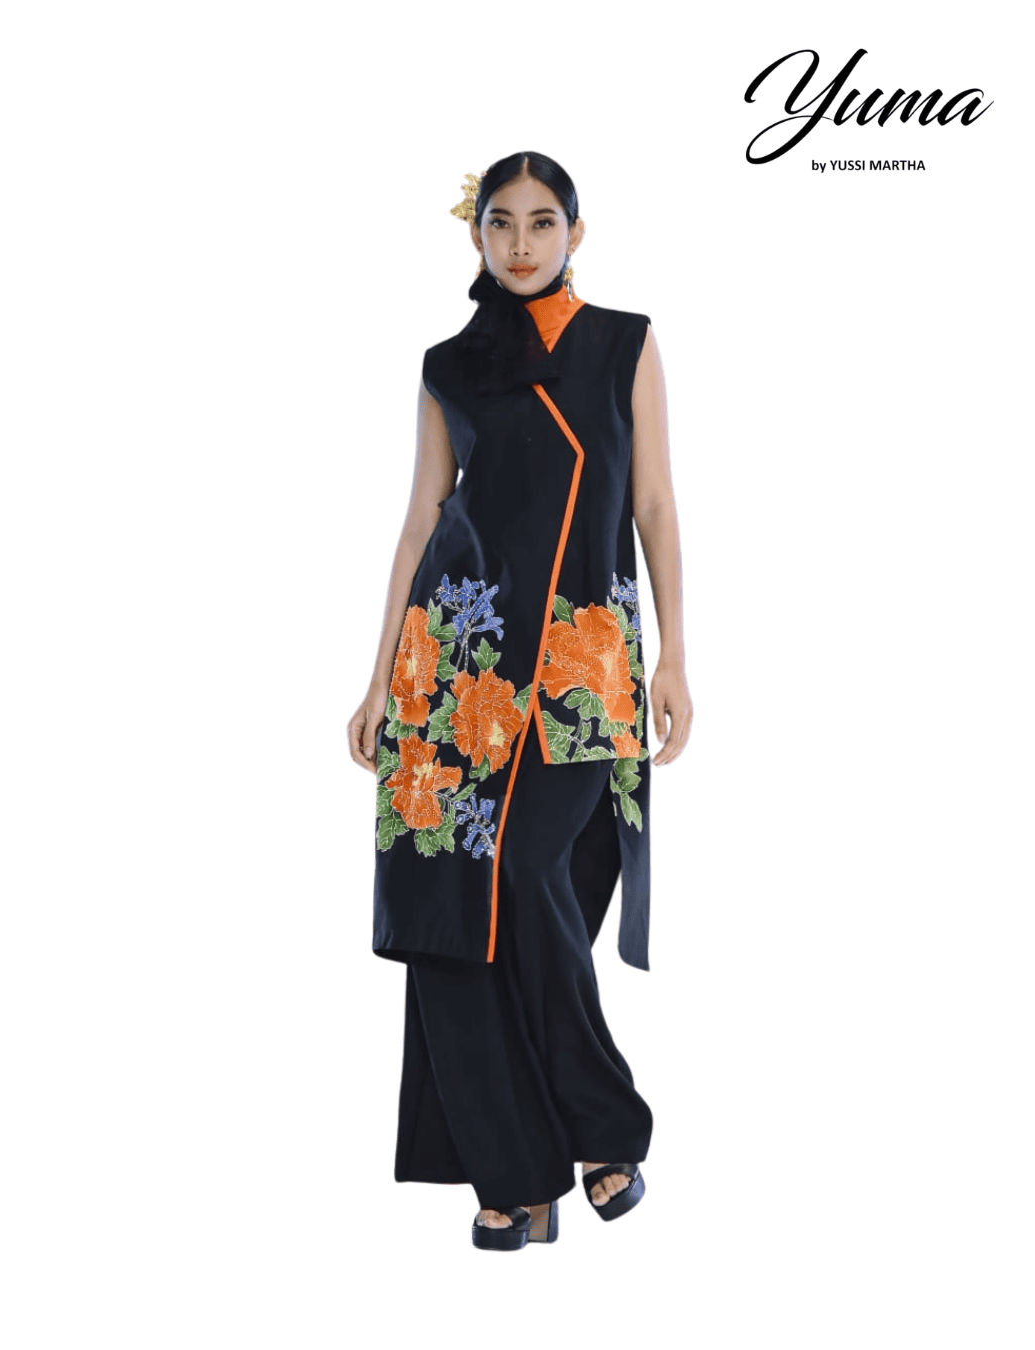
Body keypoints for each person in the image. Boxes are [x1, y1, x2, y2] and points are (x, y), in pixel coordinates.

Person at [347, 150, 692, 1251]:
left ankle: (602, 1121)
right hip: (456, 675)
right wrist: (377, 678)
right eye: (502, 223)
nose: (523, 243)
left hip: (584, 668)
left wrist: (673, 658)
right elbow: (421, 519)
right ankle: (515, 1176)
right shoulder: (450, 365)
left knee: (528, 874)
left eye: (544, 223)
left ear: (576, 233)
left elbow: (653, 505)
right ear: (478, 238)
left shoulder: (624, 343)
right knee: (454, 911)